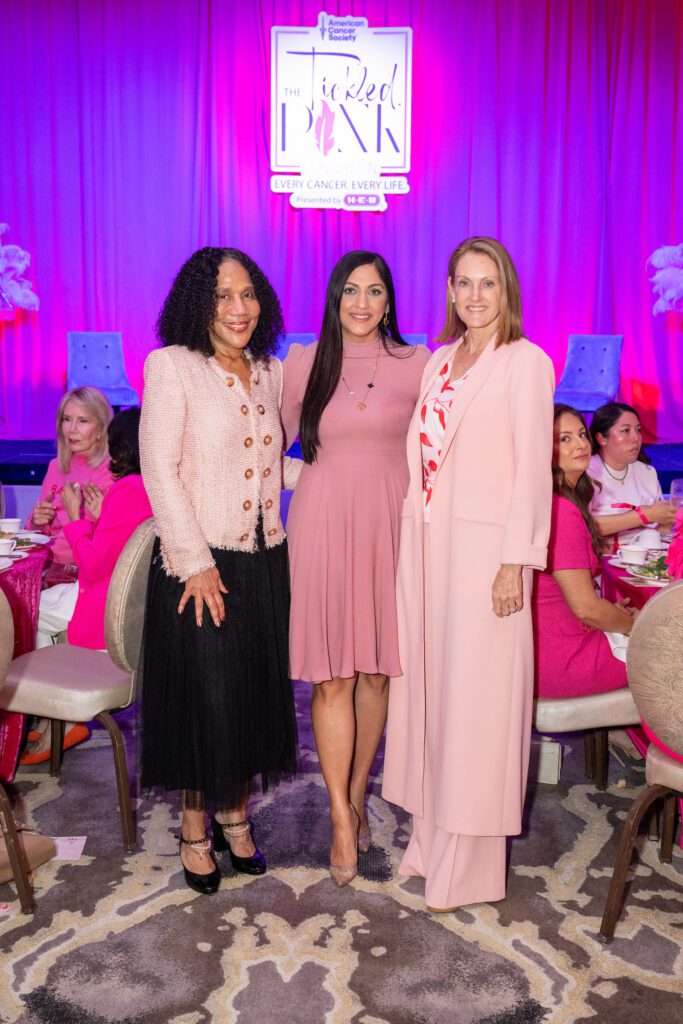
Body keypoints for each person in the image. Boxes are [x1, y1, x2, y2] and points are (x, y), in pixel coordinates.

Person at [382, 236, 554, 912]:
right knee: (431, 700)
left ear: (504, 290)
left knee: (477, 710)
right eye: (463, 283)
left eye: (487, 283)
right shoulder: (441, 362)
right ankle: (429, 843)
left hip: (487, 562)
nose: (474, 296)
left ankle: (471, 867)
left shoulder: (525, 363)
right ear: (450, 290)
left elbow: (530, 475)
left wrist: (515, 560)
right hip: (428, 553)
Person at [140, 247, 299, 895]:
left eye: (247, 294)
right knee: (206, 702)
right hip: (199, 565)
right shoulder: (172, 367)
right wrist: (195, 564)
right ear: (198, 302)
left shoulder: (269, 372)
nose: (238, 308)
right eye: (223, 295)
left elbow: (271, 467)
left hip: (265, 559)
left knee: (250, 696)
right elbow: (161, 470)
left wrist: (338, 481)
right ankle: (194, 828)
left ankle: (236, 817)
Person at [281, 251, 431, 885]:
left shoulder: (419, 364)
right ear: (334, 297)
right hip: (321, 528)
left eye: (374, 291)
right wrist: (312, 483)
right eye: (350, 290)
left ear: (389, 301)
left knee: (377, 673)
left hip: (392, 528)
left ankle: (359, 786)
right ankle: (341, 816)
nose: (362, 302)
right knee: (332, 677)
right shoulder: (302, 363)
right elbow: (264, 446)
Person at [20, 409, 154, 766]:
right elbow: (114, 550)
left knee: (21, 611)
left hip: (99, 607)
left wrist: (77, 517)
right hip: (111, 600)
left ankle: (50, 713)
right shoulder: (147, 487)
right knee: (33, 607)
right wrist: (97, 517)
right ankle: (52, 720)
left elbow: (93, 568)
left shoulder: (128, 490)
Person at [531, 405, 636, 701]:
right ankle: (660, 741)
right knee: (669, 650)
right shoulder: (561, 510)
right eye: (563, 439)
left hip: (556, 649)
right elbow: (586, 608)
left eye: (580, 434)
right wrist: (635, 628)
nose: (579, 444)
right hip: (567, 661)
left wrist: (613, 615)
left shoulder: (560, 501)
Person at [27, 386, 114, 575]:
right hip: (44, 565)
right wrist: (36, 521)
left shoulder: (111, 471)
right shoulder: (55, 466)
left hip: (79, 572)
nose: (72, 429)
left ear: (101, 428)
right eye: (67, 420)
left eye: (83, 421)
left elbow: (110, 542)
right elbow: (34, 532)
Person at [588, 402, 676, 544]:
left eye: (638, 430)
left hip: (643, 559)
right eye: (625, 430)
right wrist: (644, 515)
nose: (636, 438)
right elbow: (581, 525)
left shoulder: (647, 473)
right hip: (600, 559)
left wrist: (666, 523)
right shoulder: (586, 472)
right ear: (602, 438)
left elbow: (660, 533)